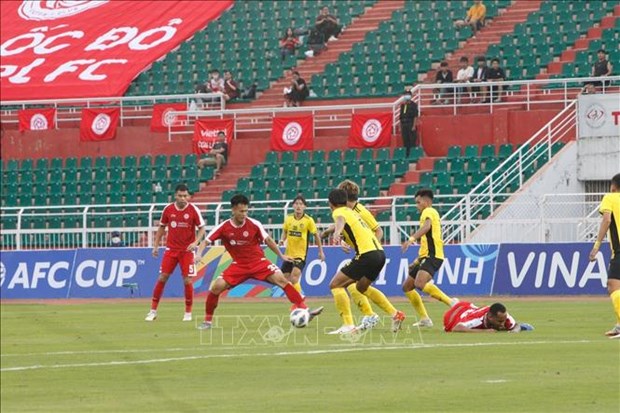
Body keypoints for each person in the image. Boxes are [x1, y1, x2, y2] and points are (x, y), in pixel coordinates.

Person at [196, 194, 323, 329]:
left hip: (258, 262)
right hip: (239, 265)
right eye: (241, 211)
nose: (244, 214)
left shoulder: (254, 224)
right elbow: (205, 241)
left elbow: (268, 240)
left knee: (282, 280)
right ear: (233, 210)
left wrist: (281, 255)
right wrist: (198, 254)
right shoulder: (224, 227)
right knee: (216, 287)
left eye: (246, 211)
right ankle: (207, 321)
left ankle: (305, 309)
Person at [327, 189, 405, 334]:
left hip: (366, 255)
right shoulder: (353, 212)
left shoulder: (338, 212)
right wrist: (333, 233)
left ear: (331, 204)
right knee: (361, 287)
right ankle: (395, 314)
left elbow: (340, 221)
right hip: (380, 254)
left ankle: (348, 325)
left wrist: (337, 232)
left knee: (335, 284)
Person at [145, 184, 206, 322]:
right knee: (162, 278)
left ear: (188, 196)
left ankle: (188, 313)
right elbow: (161, 228)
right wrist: (155, 246)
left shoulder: (193, 210)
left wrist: (195, 243)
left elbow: (202, 229)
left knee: (187, 280)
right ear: (175, 195)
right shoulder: (168, 209)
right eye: (180, 195)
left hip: (187, 251)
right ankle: (153, 311)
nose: (183, 198)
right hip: (171, 250)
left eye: (185, 196)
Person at [401, 189, 457, 327]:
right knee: (407, 287)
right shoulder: (429, 212)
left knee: (419, 284)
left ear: (425, 201)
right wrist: (417, 261)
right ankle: (424, 319)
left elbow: (426, 227)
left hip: (434, 256)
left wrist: (411, 239)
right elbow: (426, 242)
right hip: (427, 256)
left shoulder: (428, 211)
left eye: (418, 202)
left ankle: (452, 302)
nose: (417, 205)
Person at [588, 173, 620, 339]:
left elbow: (606, 220)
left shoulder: (610, 197)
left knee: (613, 286)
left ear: (613, 187)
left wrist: (596, 246)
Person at [280, 195, 325, 295]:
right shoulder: (289, 218)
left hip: (300, 255)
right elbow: (285, 232)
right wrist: (282, 240)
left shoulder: (308, 220)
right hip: (288, 255)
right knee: (284, 280)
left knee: (294, 278)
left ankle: (300, 302)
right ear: (293, 206)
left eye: (301, 204)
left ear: (305, 206)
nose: (298, 206)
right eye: (296, 204)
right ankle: (296, 299)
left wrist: (321, 251)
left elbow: (316, 236)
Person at [444, 301, 533, 332]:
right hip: (457, 313)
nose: (503, 324)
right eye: (499, 321)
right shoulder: (477, 320)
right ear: (490, 317)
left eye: (503, 321)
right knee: (447, 326)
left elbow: (516, 325)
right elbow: (457, 328)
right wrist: (485, 331)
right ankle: (452, 302)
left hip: (472, 309)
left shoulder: (504, 317)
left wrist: (515, 331)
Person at [399, 90, 419, 156]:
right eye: (405, 95)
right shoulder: (403, 105)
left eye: (408, 94)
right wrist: (400, 126)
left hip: (410, 123)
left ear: (410, 96)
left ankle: (412, 155)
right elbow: (401, 116)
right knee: (405, 140)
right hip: (403, 124)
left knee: (412, 140)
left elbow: (415, 116)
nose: (406, 96)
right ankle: (406, 155)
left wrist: (414, 126)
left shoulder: (413, 105)